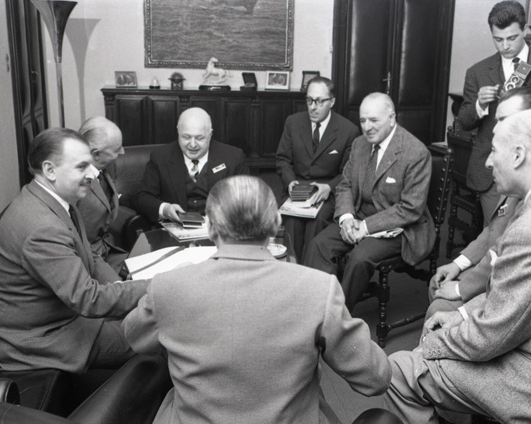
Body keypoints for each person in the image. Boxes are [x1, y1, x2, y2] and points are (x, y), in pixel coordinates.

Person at [384, 110, 531, 423]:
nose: (488, 162)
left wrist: (432, 344)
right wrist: (460, 317)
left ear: (518, 155)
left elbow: (492, 337)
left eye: (493, 151)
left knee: (400, 370)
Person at [122, 175, 391, 424]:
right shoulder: (319, 289)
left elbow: (133, 337)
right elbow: (376, 378)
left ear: (211, 228)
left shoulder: (169, 286)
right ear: (275, 224)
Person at [0, 128, 149, 373]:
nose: (92, 174)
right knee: (156, 333)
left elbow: (89, 253)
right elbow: (88, 299)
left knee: (148, 318)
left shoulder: (53, 199)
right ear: (50, 170)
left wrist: (121, 286)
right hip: (37, 340)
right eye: (82, 167)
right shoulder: (41, 227)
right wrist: (155, 285)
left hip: (59, 318)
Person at [426, 86, 531, 319]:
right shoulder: (521, 167)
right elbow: (495, 229)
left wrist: (461, 290)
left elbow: (516, 271)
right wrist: (459, 263)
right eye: (497, 120)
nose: (496, 128)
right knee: (437, 288)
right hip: (501, 275)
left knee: (439, 307)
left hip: (520, 293)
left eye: (505, 120)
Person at [304, 92, 435, 310]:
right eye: (363, 120)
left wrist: (365, 227)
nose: (367, 127)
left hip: (400, 227)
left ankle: (337, 315)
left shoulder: (416, 153)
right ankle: (317, 306)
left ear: (391, 118)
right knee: (319, 245)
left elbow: (410, 209)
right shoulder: (359, 144)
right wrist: (347, 218)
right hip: (358, 215)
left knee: (359, 258)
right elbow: (345, 184)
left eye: (374, 120)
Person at [457, 0, 531, 225]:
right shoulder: (478, 71)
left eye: (512, 38)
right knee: (496, 234)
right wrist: (479, 105)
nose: (505, 46)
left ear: (524, 29)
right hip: (494, 172)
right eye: (498, 39)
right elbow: (464, 121)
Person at [275, 76, 360, 263]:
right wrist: (290, 181)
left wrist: (329, 187)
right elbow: (282, 159)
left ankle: (313, 271)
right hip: (297, 189)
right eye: (309, 100)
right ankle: (293, 269)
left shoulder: (348, 130)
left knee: (318, 221)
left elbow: (347, 173)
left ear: (332, 102)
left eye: (320, 101)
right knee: (293, 221)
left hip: (327, 191)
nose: (313, 107)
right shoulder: (293, 122)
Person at [132, 107, 248, 223]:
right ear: (178, 132)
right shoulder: (160, 157)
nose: (192, 145)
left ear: (210, 134)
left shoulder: (233, 157)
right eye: (186, 137)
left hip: (220, 228)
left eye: (199, 138)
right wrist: (165, 209)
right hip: (174, 228)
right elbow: (142, 197)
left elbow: (247, 199)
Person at [76, 116, 127, 272]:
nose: (122, 152)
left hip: (109, 251)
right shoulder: (77, 184)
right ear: (96, 154)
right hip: (88, 262)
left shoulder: (103, 170)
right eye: (116, 150)